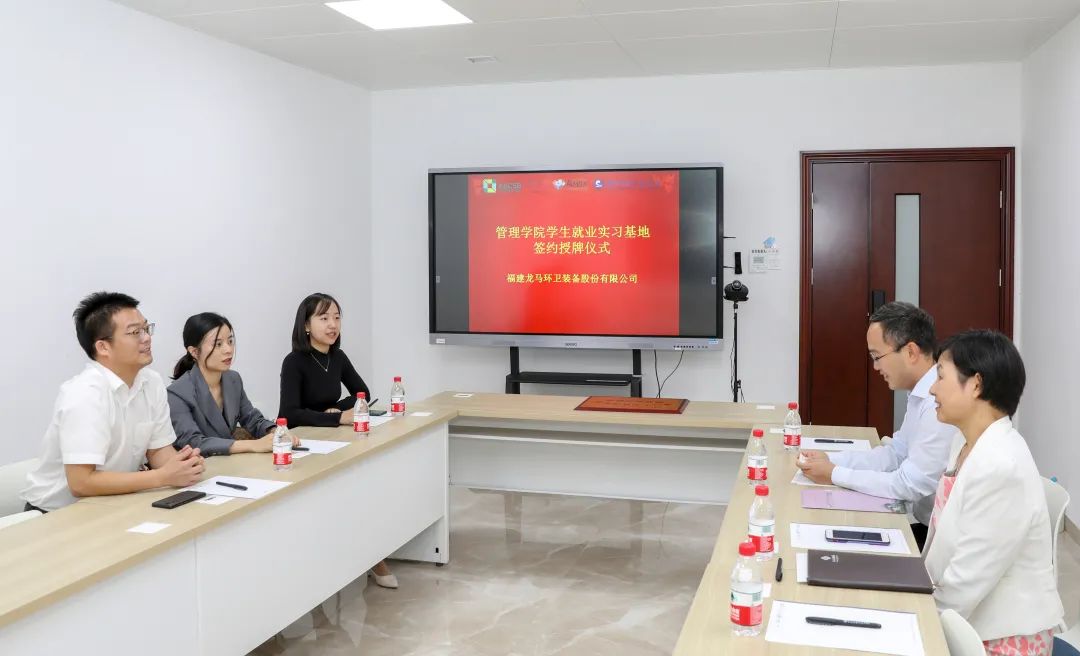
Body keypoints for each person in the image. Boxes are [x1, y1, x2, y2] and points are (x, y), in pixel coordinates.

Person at [924, 330, 1062, 653]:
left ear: (975, 384)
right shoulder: (965, 441)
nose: (932, 388)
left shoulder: (1001, 466)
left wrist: (918, 620)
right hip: (963, 613)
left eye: (940, 377)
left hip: (1000, 636)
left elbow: (966, 582)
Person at [21, 292, 204, 512]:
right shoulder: (85, 394)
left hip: (112, 503)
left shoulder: (151, 382)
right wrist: (162, 476)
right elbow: (81, 482)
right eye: (135, 332)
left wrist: (184, 466)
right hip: (54, 514)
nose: (146, 338)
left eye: (146, 328)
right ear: (103, 347)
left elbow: (158, 452)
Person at [797, 302, 955, 549]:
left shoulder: (939, 400)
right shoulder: (919, 394)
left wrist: (834, 474)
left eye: (877, 356)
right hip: (926, 525)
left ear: (911, 352)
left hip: (935, 540)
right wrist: (832, 460)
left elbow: (909, 484)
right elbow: (896, 455)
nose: (875, 367)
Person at [278, 292, 397, 589]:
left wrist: (338, 409)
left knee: (365, 485)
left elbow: (363, 394)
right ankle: (355, 560)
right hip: (305, 449)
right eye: (324, 318)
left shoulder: (337, 357)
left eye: (337, 317)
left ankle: (370, 554)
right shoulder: (294, 362)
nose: (333, 325)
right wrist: (334, 416)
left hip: (335, 441)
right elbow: (289, 413)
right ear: (306, 325)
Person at [168, 312, 299, 457]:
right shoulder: (177, 393)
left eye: (230, 341)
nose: (228, 349)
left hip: (229, 464)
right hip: (199, 470)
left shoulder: (233, 379)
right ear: (194, 351)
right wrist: (253, 445)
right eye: (218, 344)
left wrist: (275, 432)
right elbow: (194, 442)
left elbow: (252, 419)